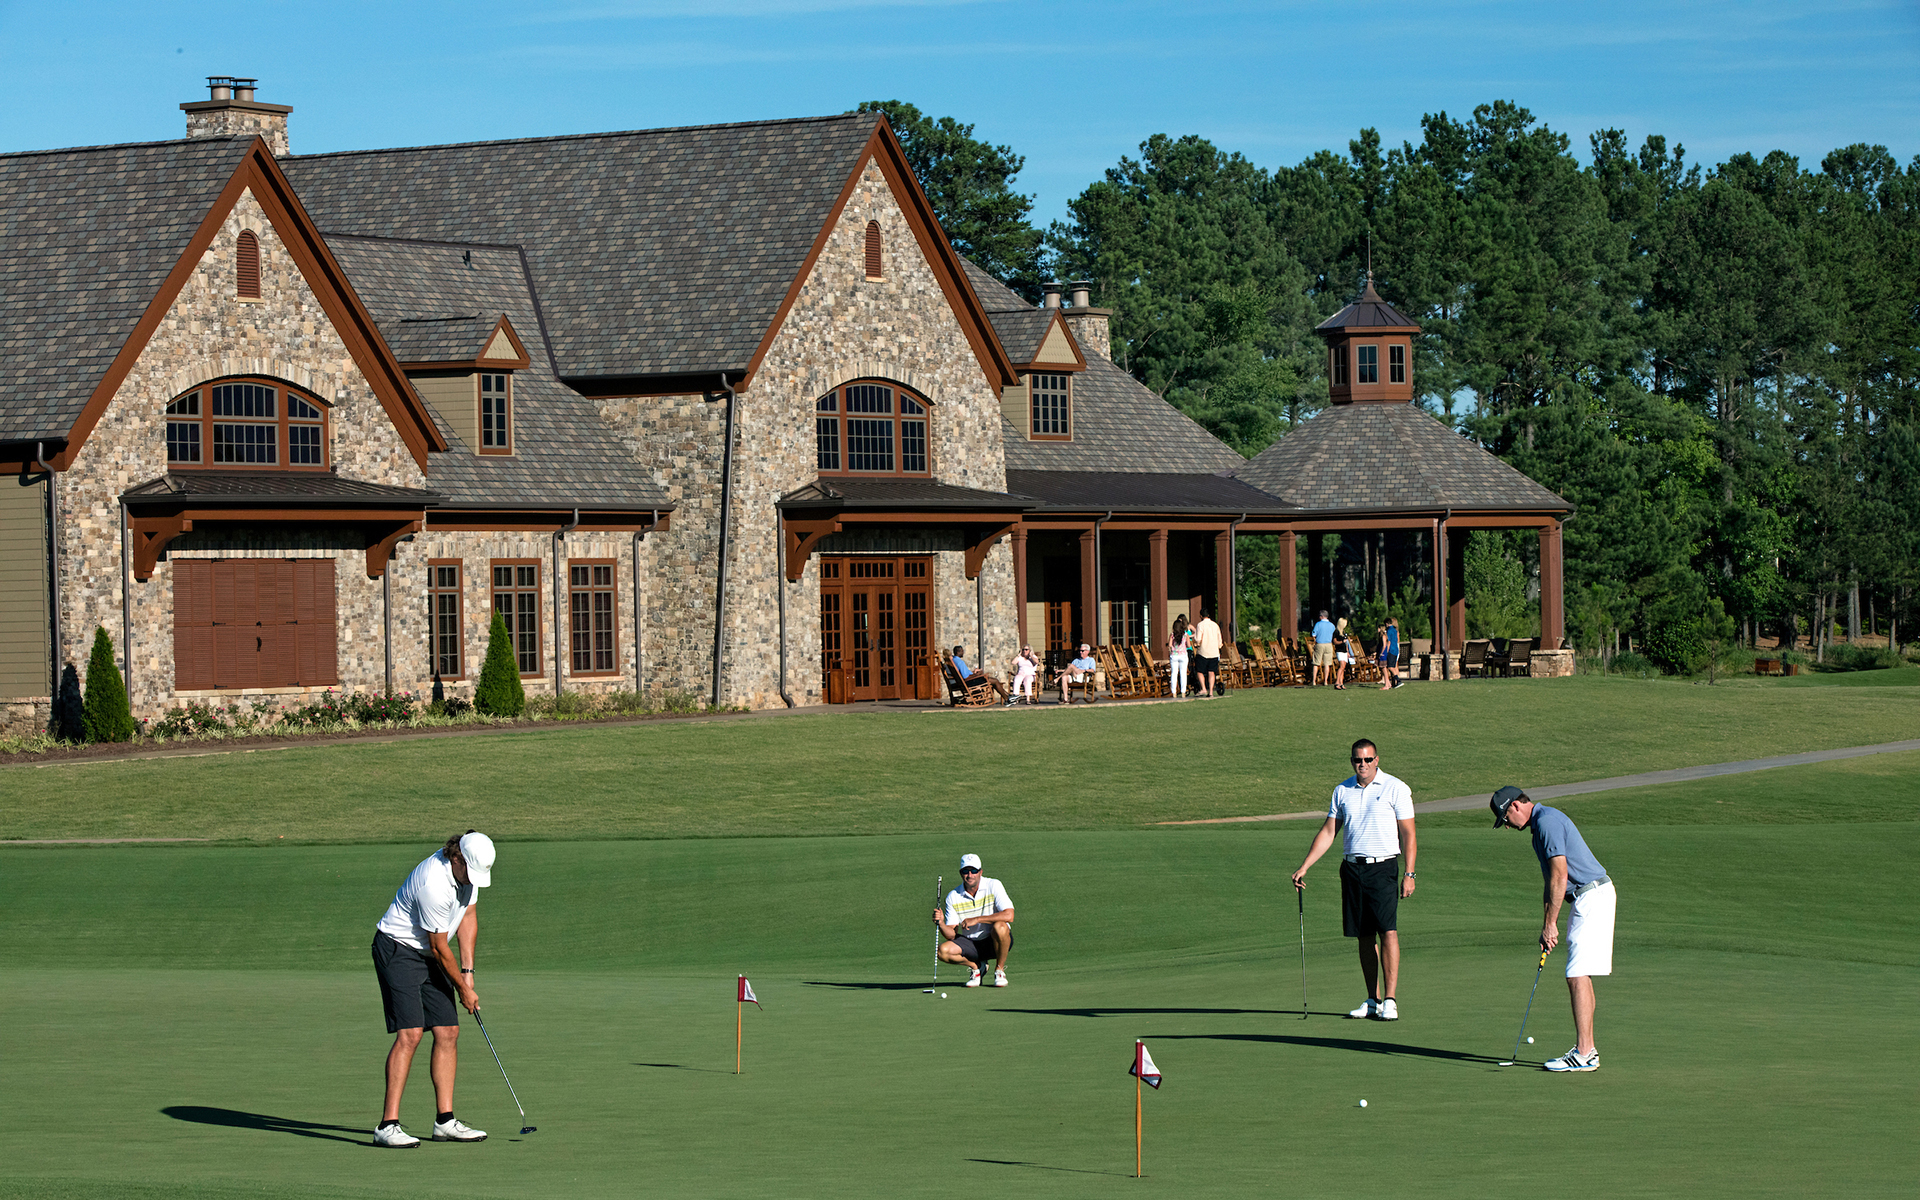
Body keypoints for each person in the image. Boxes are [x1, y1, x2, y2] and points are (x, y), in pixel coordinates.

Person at [370, 830, 497, 1147]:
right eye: (470, 873)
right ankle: (387, 1125)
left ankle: (445, 1121)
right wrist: (463, 990)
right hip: (398, 949)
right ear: (456, 858)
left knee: (448, 1031)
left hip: (430, 953)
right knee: (411, 1033)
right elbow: (439, 948)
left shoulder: (468, 874)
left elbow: (468, 916)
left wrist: (468, 973)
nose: (472, 881)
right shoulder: (434, 884)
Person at [1491, 786, 1616, 1072]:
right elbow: (1551, 884)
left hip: (1591, 896)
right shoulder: (1540, 827)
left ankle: (1584, 1053)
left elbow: (1560, 876)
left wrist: (1551, 925)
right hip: (1586, 898)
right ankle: (1588, 1050)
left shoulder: (1547, 822)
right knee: (1579, 972)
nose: (1507, 825)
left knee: (1576, 973)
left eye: (1505, 818)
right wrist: (1547, 925)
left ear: (1515, 806)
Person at [1290, 739, 1417, 1020]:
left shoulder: (1395, 788)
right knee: (1363, 934)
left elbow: (1408, 833)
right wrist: (1305, 865)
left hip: (1383, 867)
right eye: (1358, 760)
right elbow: (1329, 832)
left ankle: (1391, 1001)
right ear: (1352, 761)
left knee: (1388, 930)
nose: (1363, 765)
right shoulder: (1342, 790)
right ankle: (1373, 1000)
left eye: (1368, 759)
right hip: (1351, 868)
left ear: (1377, 760)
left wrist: (1409, 873)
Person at [934, 853, 1015, 986]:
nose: (970, 875)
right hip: (971, 945)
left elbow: (1009, 915)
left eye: (974, 871)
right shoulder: (953, 896)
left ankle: (999, 970)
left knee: (1000, 926)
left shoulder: (993, 885)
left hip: (994, 941)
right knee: (942, 951)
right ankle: (977, 967)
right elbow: (951, 935)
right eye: (965, 871)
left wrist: (977, 919)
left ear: (980, 872)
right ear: (961, 873)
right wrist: (941, 923)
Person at [1193, 607, 1224, 698]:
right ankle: (1211, 692)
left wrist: (1196, 643)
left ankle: (1203, 688)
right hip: (1214, 652)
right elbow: (1219, 639)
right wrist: (1219, 646)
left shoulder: (1200, 625)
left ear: (1201, 616)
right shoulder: (1215, 625)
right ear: (1209, 615)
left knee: (1199, 670)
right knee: (1211, 672)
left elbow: (1198, 639)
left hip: (1203, 651)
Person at [1311, 610, 1337, 686]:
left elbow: (1313, 635)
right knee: (1327, 664)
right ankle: (1325, 681)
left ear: (1322, 616)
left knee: (1316, 663)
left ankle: (1314, 681)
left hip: (1320, 644)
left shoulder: (1318, 624)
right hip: (1328, 644)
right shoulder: (1332, 625)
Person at [1168, 614, 1191, 699]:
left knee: (1174, 673)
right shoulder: (1185, 634)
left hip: (1174, 655)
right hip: (1183, 655)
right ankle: (1183, 692)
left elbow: (1170, 645)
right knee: (1183, 673)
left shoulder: (1172, 635)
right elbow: (1189, 645)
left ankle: (1174, 692)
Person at [1377, 618, 1401, 691]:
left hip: (1391, 650)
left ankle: (1398, 680)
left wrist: (1386, 651)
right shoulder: (1395, 630)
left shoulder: (1389, 631)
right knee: (1393, 666)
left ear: (1386, 624)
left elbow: (1388, 642)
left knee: (1390, 667)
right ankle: (1393, 683)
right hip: (1396, 649)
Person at [1333, 617, 1353, 690]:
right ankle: (1337, 682)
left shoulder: (1343, 632)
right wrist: (1342, 642)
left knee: (1343, 667)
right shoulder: (1336, 632)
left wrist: (1347, 652)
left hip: (1344, 651)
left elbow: (1346, 643)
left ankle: (1341, 683)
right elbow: (1335, 642)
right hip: (1339, 651)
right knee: (1341, 666)